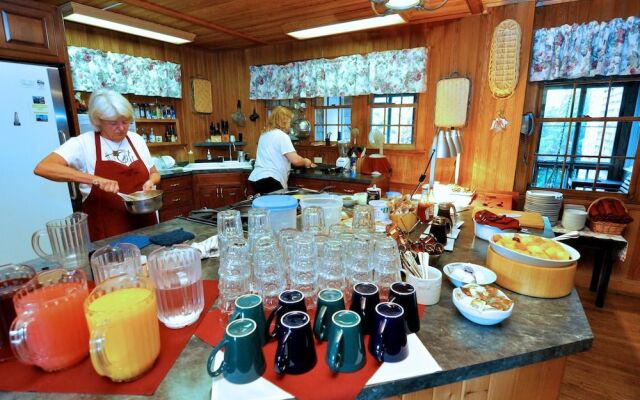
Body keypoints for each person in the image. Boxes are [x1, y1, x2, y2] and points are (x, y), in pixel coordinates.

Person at [34, 89, 160, 241]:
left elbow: (154, 173)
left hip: (147, 226)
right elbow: (43, 167)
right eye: (113, 123)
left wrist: (151, 181)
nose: (121, 128)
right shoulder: (83, 143)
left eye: (125, 121)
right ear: (98, 120)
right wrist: (95, 179)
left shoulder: (136, 140)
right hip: (109, 234)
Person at [249, 106, 316, 194]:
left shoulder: (264, 135)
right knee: (280, 206)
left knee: (267, 207)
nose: (289, 125)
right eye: (288, 121)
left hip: (255, 179)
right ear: (283, 122)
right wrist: (305, 161)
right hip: (271, 179)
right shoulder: (282, 136)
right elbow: (295, 160)